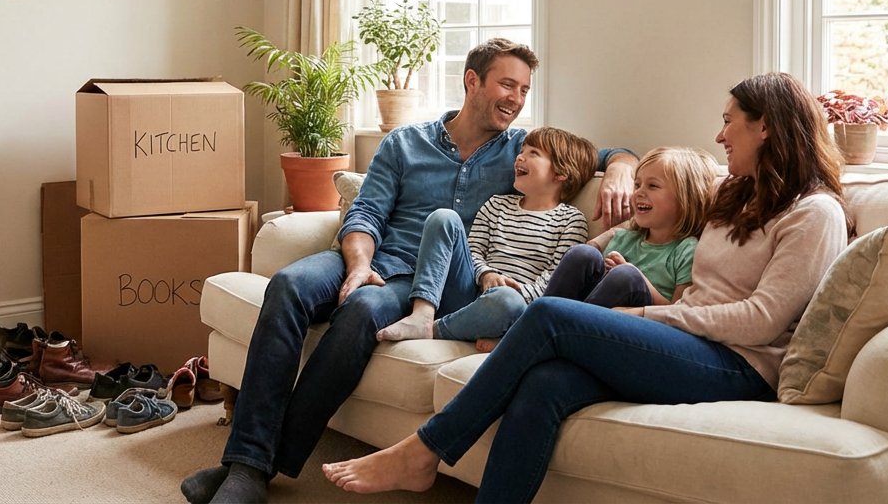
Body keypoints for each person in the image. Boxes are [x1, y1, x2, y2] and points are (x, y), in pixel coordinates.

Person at [322, 72, 852, 503]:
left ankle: (424, 450)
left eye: (729, 122)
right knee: (546, 383)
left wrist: (645, 317)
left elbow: (762, 320)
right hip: (688, 341)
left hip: (739, 363)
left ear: (766, 128)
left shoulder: (814, 212)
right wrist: (624, 172)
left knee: (552, 316)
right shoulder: (738, 193)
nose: (718, 136)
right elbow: (665, 194)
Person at [180, 39, 639, 504]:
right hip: (373, 256)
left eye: (523, 90)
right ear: (472, 81)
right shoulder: (404, 142)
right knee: (287, 285)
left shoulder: (522, 151)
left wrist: (623, 166)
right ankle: (247, 464)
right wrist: (358, 265)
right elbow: (365, 215)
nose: (516, 99)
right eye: (506, 84)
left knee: (362, 310)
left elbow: (597, 155)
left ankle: (251, 470)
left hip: (425, 282)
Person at [374, 127, 599, 345]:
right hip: (467, 293)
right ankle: (422, 314)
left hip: (510, 307)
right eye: (522, 151)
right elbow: (474, 250)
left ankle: (435, 330)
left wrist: (512, 291)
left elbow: (553, 282)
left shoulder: (571, 221)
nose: (520, 158)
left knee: (507, 301)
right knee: (443, 217)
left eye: (533, 153)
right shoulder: (496, 204)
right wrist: (486, 274)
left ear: (561, 173)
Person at [543, 145, 719, 310]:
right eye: (637, 184)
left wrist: (636, 276)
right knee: (582, 253)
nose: (639, 192)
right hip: (592, 310)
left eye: (653, 186)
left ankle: (568, 328)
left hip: (638, 323)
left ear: (685, 199)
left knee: (625, 276)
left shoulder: (686, 250)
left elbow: (676, 310)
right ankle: (542, 319)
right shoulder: (625, 238)